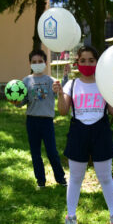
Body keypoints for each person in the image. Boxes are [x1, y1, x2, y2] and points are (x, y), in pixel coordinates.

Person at [52, 45, 113, 224]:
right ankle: (71, 216)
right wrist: (60, 93)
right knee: (75, 177)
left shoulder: (104, 83)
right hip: (78, 132)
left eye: (91, 60)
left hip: (101, 132)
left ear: (97, 62)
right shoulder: (72, 84)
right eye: (83, 60)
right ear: (77, 63)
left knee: (105, 177)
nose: (87, 64)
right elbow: (63, 110)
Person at [16, 50, 67, 188]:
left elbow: (61, 93)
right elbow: (22, 101)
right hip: (32, 121)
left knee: (52, 152)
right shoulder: (26, 81)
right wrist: (15, 101)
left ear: (45, 63)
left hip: (47, 121)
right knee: (35, 153)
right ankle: (41, 181)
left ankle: (60, 178)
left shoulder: (51, 81)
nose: (37, 64)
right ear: (30, 63)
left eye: (40, 61)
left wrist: (64, 79)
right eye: (34, 62)